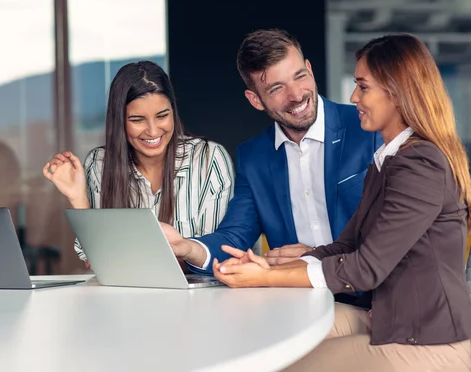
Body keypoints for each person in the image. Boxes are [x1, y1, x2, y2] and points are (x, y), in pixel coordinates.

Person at [213, 33, 471, 371]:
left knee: (290, 366)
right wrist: (271, 266)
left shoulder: (419, 164)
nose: (353, 97)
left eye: (363, 87)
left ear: (396, 93)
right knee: (272, 342)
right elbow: (347, 244)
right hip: (389, 316)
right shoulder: (388, 160)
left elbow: (365, 267)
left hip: (429, 335)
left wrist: (265, 278)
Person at [161, 29, 381, 275]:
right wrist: (186, 247)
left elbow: (395, 233)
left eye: (300, 76)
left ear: (310, 69)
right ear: (255, 99)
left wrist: (315, 258)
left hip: (372, 297)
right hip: (296, 300)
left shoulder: (368, 128)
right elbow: (234, 238)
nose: (296, 95)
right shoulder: (254, 157)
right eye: (277, 88)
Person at [43, 61, 234, 268]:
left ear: (173, 111)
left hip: (198, 298)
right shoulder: (99, 164)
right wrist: (78, 198)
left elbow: (217, 256)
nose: (153, 131)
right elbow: (96, 260)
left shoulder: (208, 159)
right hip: (125, 297)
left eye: (162, 116)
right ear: (119, 121)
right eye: (137, 120)